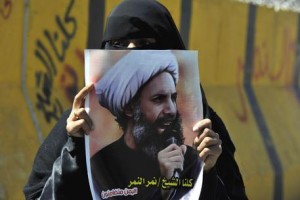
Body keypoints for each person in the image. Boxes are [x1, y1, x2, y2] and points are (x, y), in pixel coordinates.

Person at [23, 0, 247, 199]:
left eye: (145, 43)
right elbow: (38, 194)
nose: (131, 52)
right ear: (128, 106)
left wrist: (205, 173)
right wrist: (74, 152)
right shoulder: (80, 131)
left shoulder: (203, 139)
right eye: (119, 45)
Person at [90, 50, 202, 199]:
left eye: (172, 98)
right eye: (158, 99)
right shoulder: (102, 164)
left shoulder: (189, 160)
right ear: (130, 108)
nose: (171, 110)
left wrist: (210, 170)